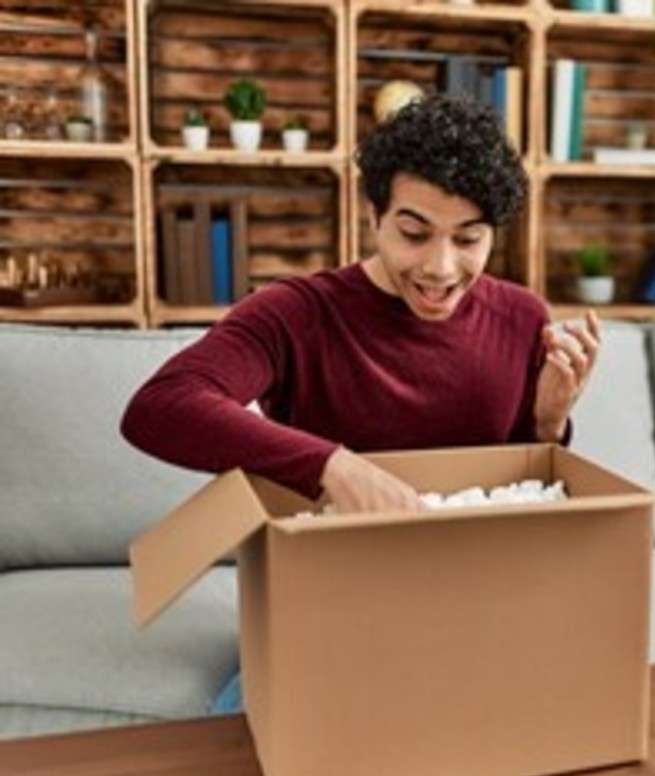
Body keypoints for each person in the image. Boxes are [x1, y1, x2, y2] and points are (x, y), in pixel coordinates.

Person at [120, 94, 602, 714]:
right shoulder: (296, 314)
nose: (441, 267)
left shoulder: (521, 317)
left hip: (476, 601)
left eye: (469, 239)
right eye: (413, 233)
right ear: (373, 214)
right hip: (331, 604)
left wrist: (548, 423)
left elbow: (508, 492)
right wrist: (336, 468)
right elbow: (161, 407)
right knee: (253, 742)